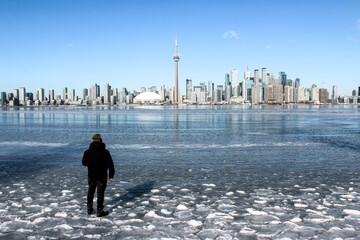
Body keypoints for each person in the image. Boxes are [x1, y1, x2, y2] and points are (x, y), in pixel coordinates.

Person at [82, 134, 115, 217]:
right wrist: (111, 175)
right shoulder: (105, 152)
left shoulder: (87, 152)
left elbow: (84, 163)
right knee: (100, 193)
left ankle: (89, 209)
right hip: (102, 175)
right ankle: (99, 211)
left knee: (91, 191)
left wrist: (92, 163)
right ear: (101, 141)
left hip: (91, 175)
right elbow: (110, 165)